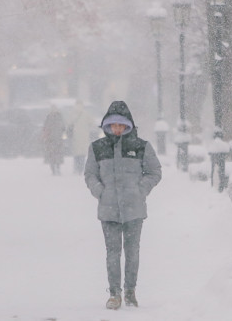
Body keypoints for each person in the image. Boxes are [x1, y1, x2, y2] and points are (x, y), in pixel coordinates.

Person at [84, 101, 162, 310]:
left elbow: (154, 171)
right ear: (107, 126)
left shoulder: (140, 146)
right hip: (108, 210)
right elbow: (90, 174)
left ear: (128, 125)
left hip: (134, 210)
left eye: (121, 125)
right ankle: (114, 294)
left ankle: (130, 291)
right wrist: (100, 191)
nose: (117, 129)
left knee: (132, 252)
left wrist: (141, 190)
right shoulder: (97, 148)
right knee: (112, 252)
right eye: (113, 125)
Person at [67, 100, 95, 174]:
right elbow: (92, 122)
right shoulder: (86, 113)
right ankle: (81, 168)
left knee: (76, 154)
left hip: (75, 136)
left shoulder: (72, 113)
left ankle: (76, 168)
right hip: (84, 136)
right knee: (82, 154)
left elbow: (69, 124)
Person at [41, 105, 65, 175]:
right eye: (52, 109)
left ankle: (58, 168)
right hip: (50, 140)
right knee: (52, 155)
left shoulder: (59, 117)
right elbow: (45, 128)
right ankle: (53, 170)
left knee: (58, 154)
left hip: (58, 139)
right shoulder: (48, 117)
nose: (53, 110)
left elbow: (63, 127)